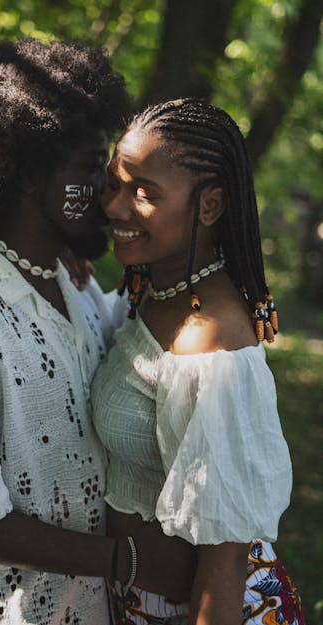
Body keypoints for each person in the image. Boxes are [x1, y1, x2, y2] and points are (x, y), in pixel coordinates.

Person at [0, 40, 196, 625]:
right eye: (91, 168)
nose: (109, 191)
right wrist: (127, 560)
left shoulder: (74, 283)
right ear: (31, 174)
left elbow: (141, 347)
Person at [91, 98, 305, 625]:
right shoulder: (157, 291)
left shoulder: (212, 345)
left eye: (145, 193)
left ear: (209, 207)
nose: (117, 207)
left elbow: (225, 560)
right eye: (116, 184)